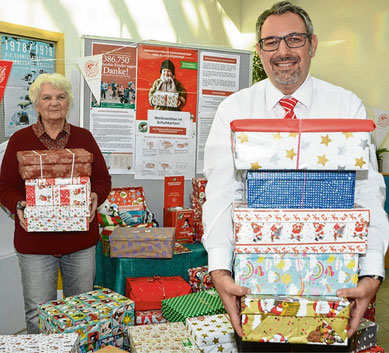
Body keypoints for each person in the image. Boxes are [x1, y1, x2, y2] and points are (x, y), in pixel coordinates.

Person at [202, 1, 389, 350]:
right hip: (256, 286)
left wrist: (372, 271)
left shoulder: (346, 106)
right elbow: (221, 193)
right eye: (271, 42)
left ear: (313, 44)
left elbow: (367, 194)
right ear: (259, 50)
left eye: (294, 39)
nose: (282, 51)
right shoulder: (234, 109)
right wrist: (219, 269)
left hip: (331, 288)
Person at [0, 73, 111, 333]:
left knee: (82, 311)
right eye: (46, 97)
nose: (54, 103)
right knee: (38, 313)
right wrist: (18, 205)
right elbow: (4, 186)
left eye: (60, 97)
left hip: (80, 243)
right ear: (36, 105)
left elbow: (103, 179)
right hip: (35, 245)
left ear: (68, 103)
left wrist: (95, 195)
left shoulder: (84, 138)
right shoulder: (19, 140)